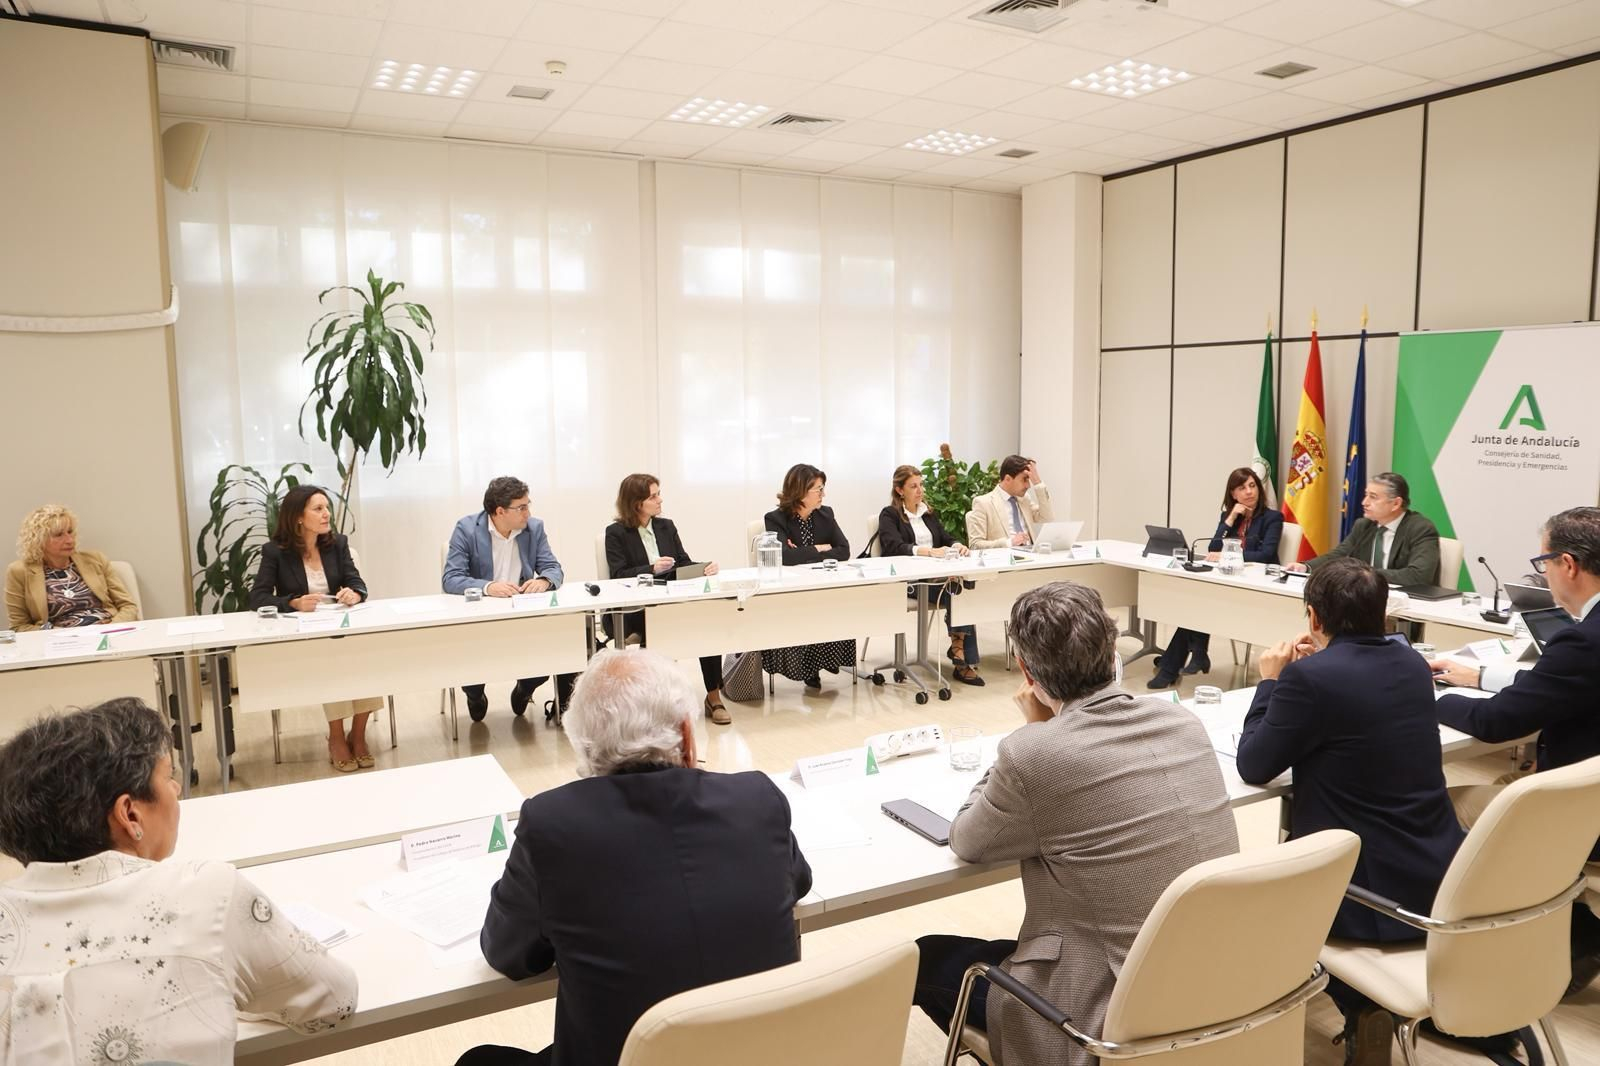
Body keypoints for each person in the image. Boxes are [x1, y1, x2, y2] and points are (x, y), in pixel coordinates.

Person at [913, 582, 1238, 1066]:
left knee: (923, 959)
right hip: (1217, 983)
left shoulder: (1035, 752)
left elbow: (968, 840)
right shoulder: (1183, 723)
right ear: (1112, 654)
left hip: (1104, 1015)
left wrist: (1034, 730)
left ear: (1025, 669)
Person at [465, 649, 812, 1066]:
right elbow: (797, 880)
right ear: (687, 735)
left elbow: (510, 954)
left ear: (584, 748)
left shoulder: (551, 825)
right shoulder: (756, 798)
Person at [0, 698, 357, 1063]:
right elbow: (334, 1000)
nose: (176, 790)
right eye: (168, 776)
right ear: (129, 813)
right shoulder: (205, 893)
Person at [1236, 558, 1464, 1065]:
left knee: (1247, 895)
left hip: (1364, 896)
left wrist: (1272, 681)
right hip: (1437, 875)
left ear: (1314, 618)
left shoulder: (1310, 681)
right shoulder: (1409, 664)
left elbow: (1254, 764)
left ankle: (1354, 1005)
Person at [1432, 506, 1600, 997]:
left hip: (1583, 819)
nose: (1542, 573)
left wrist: (1427, 697)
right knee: (1508, 785)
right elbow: (1561, 686)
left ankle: (1474, 945)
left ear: (1568, 564)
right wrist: (1480, 677)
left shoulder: (1583, 641)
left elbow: (1492, 723)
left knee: (1440, 803)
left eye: (1542, 561)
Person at [249, 484, 384, 772]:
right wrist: (294, 602)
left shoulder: (337, 544)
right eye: (318, 509)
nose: (326, 515)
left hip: (340, 626)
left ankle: (358, 735)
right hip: (305, 637)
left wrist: (354, 594)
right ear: (298, 517)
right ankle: (336, 736)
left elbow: (357, 582)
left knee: (366, 655)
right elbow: (258, 597)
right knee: (333, 659)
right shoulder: (275, 552)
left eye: (327, 508)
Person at [443, 476, 575, 723]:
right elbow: (451, 578)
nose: (528, 512)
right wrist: (489, 587)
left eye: (528, 505)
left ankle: (525, 688)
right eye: (522, 507)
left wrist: (544, 580)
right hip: (480, 617)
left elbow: (553, 568)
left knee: (555, 645)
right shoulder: (467, 529)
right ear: (500, 511)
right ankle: (475, 695)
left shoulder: (534, 528)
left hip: (522, 613)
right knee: (470, 660)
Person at [603, 473, 731, 724]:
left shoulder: (666, 526)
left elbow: (682, 562)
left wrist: (704, 567)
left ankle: (713, 697)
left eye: (658, 493)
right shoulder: (616, 533)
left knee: (706, 623)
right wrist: (651, 568)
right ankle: (655, 703)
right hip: (637, 608)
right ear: (636, 502)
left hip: (671, 602)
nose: (660, 500)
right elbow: (617, 575)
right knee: (661, 627)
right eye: (653, 496)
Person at [1149, 467, 1284, 688]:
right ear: (1233, 494)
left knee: (1200, 605)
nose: (1249, 492)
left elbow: (1266, 555)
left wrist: (1228, 555)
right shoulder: (1230, 517)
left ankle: (1176, 665)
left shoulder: (1272, 518)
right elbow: (1212, 547)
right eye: (1242, 488)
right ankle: (1189, 658)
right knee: (1201, 602)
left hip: (1258, 586)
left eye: (1252, 486)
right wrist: (1231, 517)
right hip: (1230, 580)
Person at [876, 464, 983, 686]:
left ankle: (959, 651)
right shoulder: (890, 514)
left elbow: (945, 536)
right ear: (899, 490)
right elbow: (893, 547)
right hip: (908, 582)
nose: (920, 490)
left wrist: (957, 544)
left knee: (959, 588)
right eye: (913, 486)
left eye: (921, 484)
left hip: (935, 580)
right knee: (955, 590)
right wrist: (928, 551)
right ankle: (962, 661)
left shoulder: (928, 513)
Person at [760, 464, 856, 690]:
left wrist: (804, 552)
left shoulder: (825, 514)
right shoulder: (775, 519)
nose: (823, 494)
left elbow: (843, 550)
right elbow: (783, 556)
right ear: (801, 491)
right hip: (790, 589)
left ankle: (822, 664)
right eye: (818, 490)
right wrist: (819, 548)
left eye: (823, 489)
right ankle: (805, 667)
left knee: (834, 603)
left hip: (822, 584)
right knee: (807, 607)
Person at [1290, 472, 1440, 587]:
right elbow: (1339, 555)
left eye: (1373, 497)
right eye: (1366, 495)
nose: (1364, 502)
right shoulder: (1363, 525)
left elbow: (1419, 576)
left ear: (1396, 504)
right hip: (1366, 599)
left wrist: (1365, 575)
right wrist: (1306, 567)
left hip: (1407, 604)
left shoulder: (1420, 529)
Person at [6, 504, 138, 631]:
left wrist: (112, 628)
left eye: (70, 532)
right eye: (59, 535)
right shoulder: (19, 572)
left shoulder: (96, 560)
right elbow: (19, 626)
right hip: (60, 641)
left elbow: (127, 606)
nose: (70, 540)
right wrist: (55, 633)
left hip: (108, 631)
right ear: (38, 540)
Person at [966, 455, 1053, 550]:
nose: (1028, 485)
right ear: (1008, 479)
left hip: (1032, 557)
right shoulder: (983, 503)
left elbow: (1047, 518)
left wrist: (1037, 483)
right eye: (1024, 479)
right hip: (1004, 560)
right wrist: (1009, 543)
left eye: (1029, 480)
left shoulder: (1025, 499)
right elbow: (975, 545)